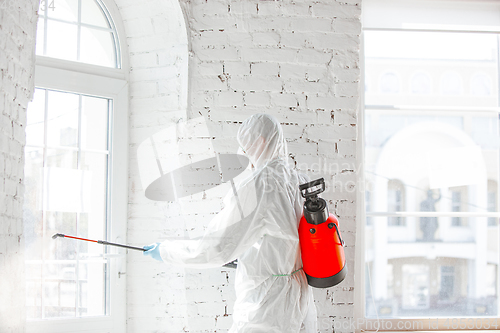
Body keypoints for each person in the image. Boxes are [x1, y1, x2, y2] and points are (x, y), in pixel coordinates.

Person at [144, 113, 317, 332]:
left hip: (267, 308)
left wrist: (167, 251)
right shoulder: (299, 180)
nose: (243, 154)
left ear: (260, 142)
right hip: (301, 302)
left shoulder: (260, 184)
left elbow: (215, 247)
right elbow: (282, 242)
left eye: (245, 146)